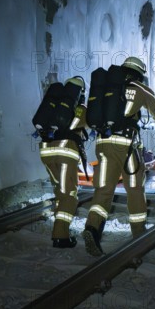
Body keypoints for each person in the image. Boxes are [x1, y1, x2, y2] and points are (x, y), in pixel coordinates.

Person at [82, 57, 155, 256]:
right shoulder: (139, 88)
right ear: (139, 73)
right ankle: (139, 234)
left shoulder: (105, 88)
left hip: (103, 145)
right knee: (135, 188)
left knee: (104, 190)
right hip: (126, 147)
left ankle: (92, 229)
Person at [38, 76, 88, 249]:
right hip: (65, 151)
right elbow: (85, 122)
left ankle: (61, 230)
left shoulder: (53, 107)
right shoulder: (79, 107)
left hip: (46, 150)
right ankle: (60, 236)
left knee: (60, 192)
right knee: (69, 195)